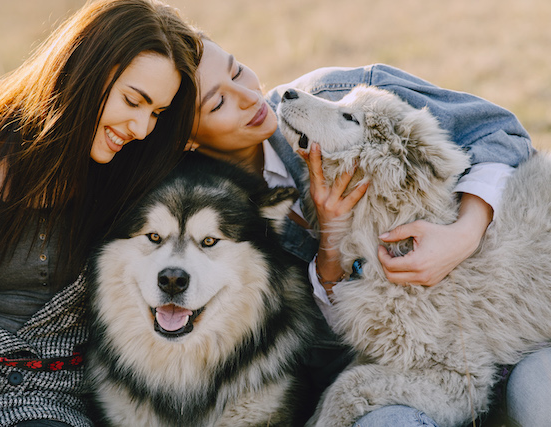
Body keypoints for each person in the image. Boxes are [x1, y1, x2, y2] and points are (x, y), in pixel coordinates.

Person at [188, 37, 536, 426]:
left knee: (538, 391)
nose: (251, 97)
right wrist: (330, 250)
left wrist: (465, 233)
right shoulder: (209, 224)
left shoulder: (338, 93)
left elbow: (501, 134)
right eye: (218, 103)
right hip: (400, 376)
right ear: (186, 137)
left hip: (512, 329)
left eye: (237, 70)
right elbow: (312, 358)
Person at [0, 1, 201, 426]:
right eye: (133, 101)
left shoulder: (139, 189)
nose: (141, 128)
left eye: (156, 113)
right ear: (84, 70)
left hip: (46, 395)